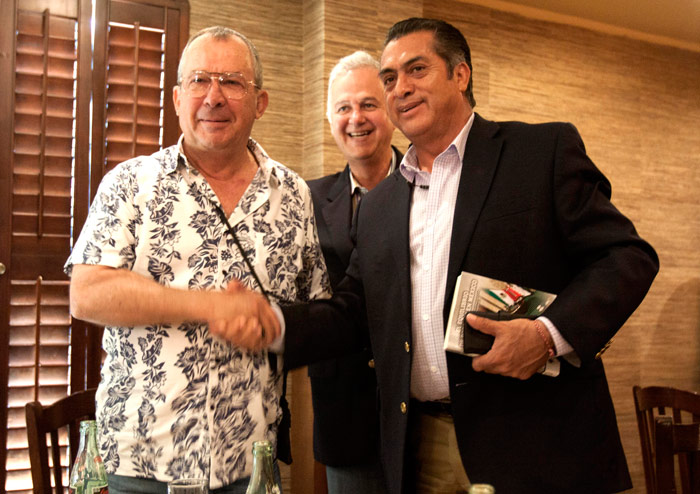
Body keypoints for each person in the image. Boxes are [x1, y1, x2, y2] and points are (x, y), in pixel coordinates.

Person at [271, 18, 659, 494]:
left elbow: (627, 256)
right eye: (390, 78)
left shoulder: (540, 153)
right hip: (423, 445)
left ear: (461, 75)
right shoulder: (380, 205)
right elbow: (355, 310)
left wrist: (547, 335)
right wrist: (273, 324)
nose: (401, 88)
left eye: (417, 69)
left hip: (536, 442)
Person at [64, 26, 328, 493]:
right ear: (176, 97)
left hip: (251, 464)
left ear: (260, 102)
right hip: (137, 465)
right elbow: (87, 295)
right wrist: (211, 307)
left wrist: (273, 325)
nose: (214, 96)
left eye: (232, 81)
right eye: (199, 80)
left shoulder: (293, 196)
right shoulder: (130, 184)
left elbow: (315, 312)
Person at [307, 51, 400, 494]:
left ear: (392, 112)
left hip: (428, 412)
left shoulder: (433, 186)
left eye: (368, 104)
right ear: (330, 120)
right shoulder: (304, 200)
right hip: (345, 413)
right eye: (343, 107)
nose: (355, 118)